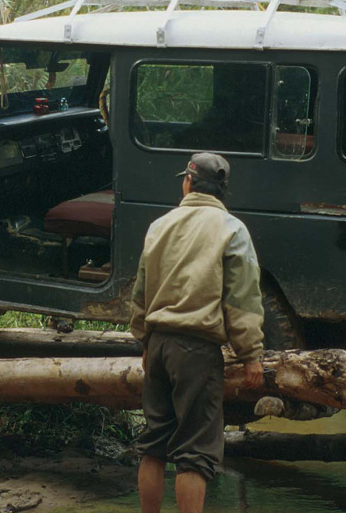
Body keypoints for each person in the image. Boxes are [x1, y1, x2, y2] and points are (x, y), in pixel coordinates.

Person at [130, 152, 265, 513]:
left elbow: (140, 292)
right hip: (197, 350)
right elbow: (242, 299)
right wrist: (250, 354)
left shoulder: (159, 226)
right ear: (222, 190)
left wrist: (145, 342)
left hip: (158, 345)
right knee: (194, 454)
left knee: (153, 446)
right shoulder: (232, 229)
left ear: (188, 183)